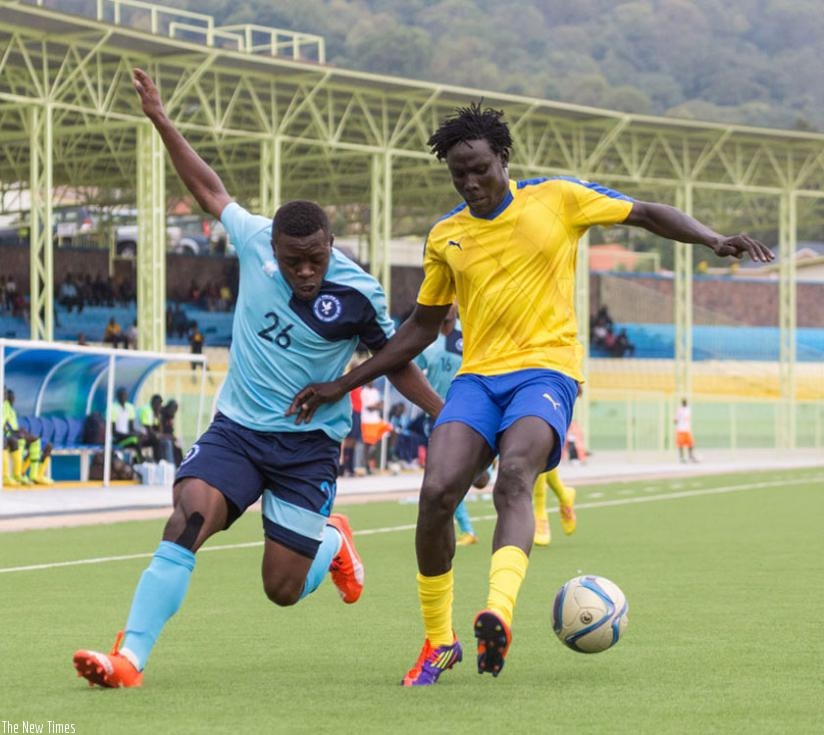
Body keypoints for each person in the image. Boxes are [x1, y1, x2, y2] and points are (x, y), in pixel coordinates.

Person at [288, 101, 774, 686]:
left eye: (479, 169)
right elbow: (420, 326)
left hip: (546, 372)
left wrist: (713, 239)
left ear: (503, 159)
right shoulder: (447, 236)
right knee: (438, 490)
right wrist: (343, 382)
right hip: (477, 379)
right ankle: (438, 643)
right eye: (458, 174)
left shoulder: (557, 199)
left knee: (518, 472)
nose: (470, 182)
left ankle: (498, 611)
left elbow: (644, 212)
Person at [70, 68, 442, 690]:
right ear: (270, 242)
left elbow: (396, 360)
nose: (303, 271)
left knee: (282, 590)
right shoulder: (252, 239)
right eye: (292, 260)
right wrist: (162, 120)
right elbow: (209, 187)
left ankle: (332, 542)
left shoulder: (358, 292)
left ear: (331, 244)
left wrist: (441, 414)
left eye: (316, 259)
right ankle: (129, 660)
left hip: (307, 447)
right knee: (188, 517)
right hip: (238, 430)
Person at [416, 305, 489, 547]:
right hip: (437, 413)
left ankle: (482, 466)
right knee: (441, 474)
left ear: (458, 305)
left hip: (468, 411)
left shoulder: (467, 334)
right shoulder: (427, 338)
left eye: (451, 302)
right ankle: (466, 529)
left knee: (479, 480)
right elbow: (412, 368)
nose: (447, 307)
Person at [3, 388, 53, 485]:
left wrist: (18, 430)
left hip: (12, 433)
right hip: (8, 435)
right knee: (18, 439)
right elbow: (5, 426)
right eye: (8, 396)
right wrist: (13, 431)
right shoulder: (4, 407)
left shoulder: (9, 408)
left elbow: (11, 425)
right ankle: (15, 475)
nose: (13, 399)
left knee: (43, 444)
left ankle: (35, 475)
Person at [110, 386, 144, 462]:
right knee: (135, 439)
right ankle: (141, 461)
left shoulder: (130, 408)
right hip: (117, 439)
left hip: (127, 437)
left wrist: (138, 433)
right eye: (121, 395)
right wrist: (130, 435)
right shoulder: (113, 409)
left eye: (125, 395)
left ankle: (137, 460)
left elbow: (131, 428)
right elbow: (113, 432)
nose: (123, 397)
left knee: (140, 437)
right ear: (118, 396)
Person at [675, 398, 698, 463]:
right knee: (680, 445)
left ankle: (691, 457)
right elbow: (675, 420)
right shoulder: (679, 410)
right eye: (683, 402)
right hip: (681, 430)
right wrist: (677, 421)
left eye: (685, 402)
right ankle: (681, 458)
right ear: (682, 403)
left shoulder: (688, 409)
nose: (685, 403)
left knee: (691, 444)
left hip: (687, 429)